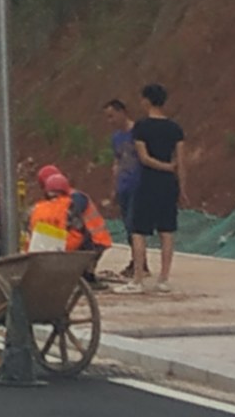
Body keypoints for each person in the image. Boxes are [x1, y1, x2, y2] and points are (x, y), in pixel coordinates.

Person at [127, 84, 187, 294]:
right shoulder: (175, 129)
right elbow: (181, 161)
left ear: (146, 100)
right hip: (168, 184)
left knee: (139, 231)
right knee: (167, 231)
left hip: (148, 182)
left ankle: (137, 279)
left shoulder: (141, 127)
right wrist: (181, 186)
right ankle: (163, 279)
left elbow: (144, 158)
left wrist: (164, 167)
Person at [27, 166, 113, 257]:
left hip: (95, 241)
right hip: (82, 243)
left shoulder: (75, 200)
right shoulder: (62, 203)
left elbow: (74, 226)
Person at [105, 98, 142, 278]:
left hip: (139, 185)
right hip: (124, 186)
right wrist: (114, 188)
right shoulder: (116, 137)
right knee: (128, 226)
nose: (110, 121)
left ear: (122, 112)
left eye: (112, 116)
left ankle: (139, 263)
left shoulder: (138, 132)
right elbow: (117, 162)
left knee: (135, 225)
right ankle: (138, 261)